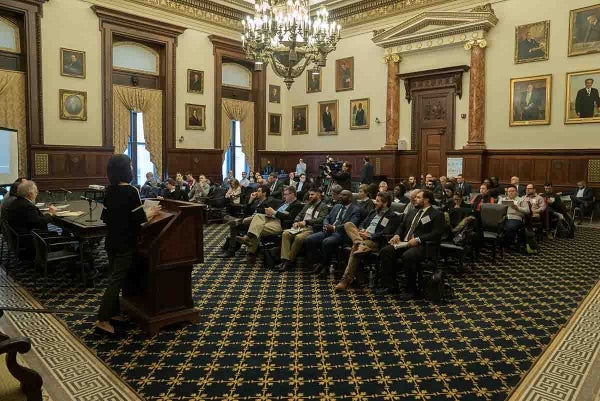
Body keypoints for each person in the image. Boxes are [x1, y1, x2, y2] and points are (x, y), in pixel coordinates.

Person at [96, 154, 160, 334]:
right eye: (130, 166)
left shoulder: (110, 190)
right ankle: (102, 319)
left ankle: (114, 313)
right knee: (116, 280)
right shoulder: (131, 191)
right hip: (126, 243)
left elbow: (106, 217)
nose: (132, 169)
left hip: (111, 241)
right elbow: (140, 220)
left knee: (114, 277)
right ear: (125, 170)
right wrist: (152, 212)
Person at [377, 190, 445, 299]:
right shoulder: (412, 211)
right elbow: (402, 226)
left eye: (418, 197)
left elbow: (436, 233)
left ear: (426, 200)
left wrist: (418, 239)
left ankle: (411, 290)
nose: (414, 199)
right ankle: (390, 286)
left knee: (408, 256)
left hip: (422, 246)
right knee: (386, 251)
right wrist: (397, 235)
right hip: (404, 242)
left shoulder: (436, 214)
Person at [335, 191, 399, 291]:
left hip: (374, 241)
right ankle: (360, 244)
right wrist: (361, 230)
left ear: (385, 203)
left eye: (377, 201)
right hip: (361, 237)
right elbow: (362, 224)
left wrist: (369, 236)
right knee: (348, 224)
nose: (375, 203)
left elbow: (386, 232)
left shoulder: (392, 216)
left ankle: (345, 280)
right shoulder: (373, 211)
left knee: (355, 248)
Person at [236, 186, 303, 263]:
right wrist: (270, 213)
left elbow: (290, 217)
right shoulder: (283, 203)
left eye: (286, 194)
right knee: (257, 217)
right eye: (284, 194)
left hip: (281, 224)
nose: (284, 196)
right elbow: (277, 213)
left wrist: (274, 212)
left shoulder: (297, 204)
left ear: (293, 194)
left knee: (256, 229)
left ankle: (250, 253)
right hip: (271, 219)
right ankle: (248, 241)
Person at [304, 190, 362, 275]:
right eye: (340, 195)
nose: (341, 196)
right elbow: (327, 217)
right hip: (328, 230)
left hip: (341, 234)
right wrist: (326, 225)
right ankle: (319, 262)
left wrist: (334, 228)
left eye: (344, 195)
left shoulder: (355, 210)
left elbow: (351, 225)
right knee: (309, 239)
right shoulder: (337, 206)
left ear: (350, 198)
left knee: (327, 242)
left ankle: (325, 266)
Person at [277, 188, 328, 272]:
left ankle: (289, 262)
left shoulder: (323, 206)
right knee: (285, 233)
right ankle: (284, 260)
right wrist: (296, 221)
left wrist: (306, 222)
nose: (310, 196)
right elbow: (299, 214)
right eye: (310, 194)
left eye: (312, 194)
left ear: (318, 195)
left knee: (299, 238)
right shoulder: (308, 205)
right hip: (300, 227)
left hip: (312, 228)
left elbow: (321, 219)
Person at [2, 180, 57, 251]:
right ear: (30, 193)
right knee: (62, 237)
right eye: (36, 192)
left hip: (18, 239)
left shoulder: (16, 202)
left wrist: (41, 215)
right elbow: (39, 222)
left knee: (55, 233)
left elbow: (31, 219)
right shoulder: (27, 206)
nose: (37, 194)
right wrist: (50, 213)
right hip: (31, 242)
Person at [498, 185, 535, 253]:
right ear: (507, 192)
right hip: (504, 217)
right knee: (495, 225)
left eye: (513, 191)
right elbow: (497, 208)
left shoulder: (522, 200)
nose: (511, 193)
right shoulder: (503, 199)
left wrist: (517, 208)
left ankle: (507, 245)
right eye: (509, 191)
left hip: (515, 217)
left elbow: (527, 211)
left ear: (516, 192)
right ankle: (499, 243)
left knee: (510, 227)